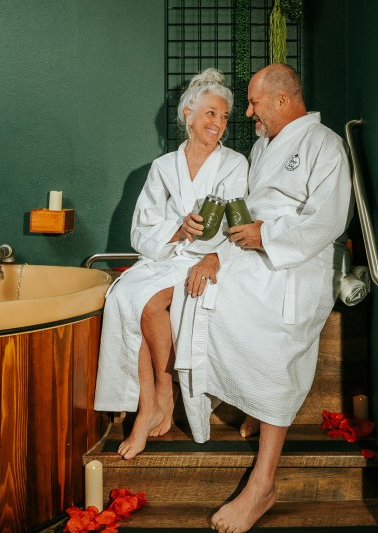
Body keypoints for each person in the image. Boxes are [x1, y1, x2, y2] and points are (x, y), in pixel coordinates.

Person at [175, 63, 352, 533]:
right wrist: (216, 253)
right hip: (247, 247)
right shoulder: (260, 144)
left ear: (281, 100)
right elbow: (243, 207)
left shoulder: (324, 144)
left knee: (270, 329)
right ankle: (247, 403)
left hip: (297, 260)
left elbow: (327, 220)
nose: (247, 112)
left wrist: (267, 236)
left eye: (253, 103)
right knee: (199, 291)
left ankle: (264, 481)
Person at [94, 68, 248, 460]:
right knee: (124, 298)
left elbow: (240, 224)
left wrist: (214, 255)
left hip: (210, 260)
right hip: (169, 254)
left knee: (147, 303)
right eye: (211, 113)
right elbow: (141, 228)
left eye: (224, 116)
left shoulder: (234, 164)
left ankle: (156, 401)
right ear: (189, 115)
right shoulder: (163, 167)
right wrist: (177, 230)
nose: (218, 123)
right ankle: (154, 400)